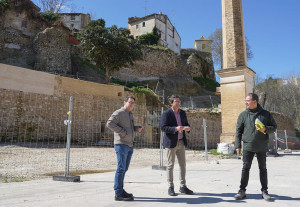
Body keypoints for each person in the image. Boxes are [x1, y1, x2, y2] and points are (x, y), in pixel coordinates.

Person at [234, 93, 277, 202]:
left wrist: (265, 129)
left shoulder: (265, 114)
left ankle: (264, 191)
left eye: (247, 100)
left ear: (255, 102)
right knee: (245, 168)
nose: (245, 102)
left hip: (262, 146)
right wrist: (238, 145)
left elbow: (274, 127)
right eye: (246, 100)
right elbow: (238, 131)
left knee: (263, 169)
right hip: (248, 146)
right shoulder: (243, 115)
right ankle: (242, 191)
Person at [107, 96, 143, 201]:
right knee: (121, 168)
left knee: (124, 169)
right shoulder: (119, 113)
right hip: (121, 144)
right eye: (130, 102)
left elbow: (129, 128)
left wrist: (136, 128)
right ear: (125, 102)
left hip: (129, 145)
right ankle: (118, 193)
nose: (131, 104)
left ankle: (121, 190)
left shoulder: (130, 114)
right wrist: (122, 132)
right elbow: (109, 123)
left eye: (133, 103)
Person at [160, 95, 194, 196]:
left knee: (183, 165)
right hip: (171, 143)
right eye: (176, 101)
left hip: (181, 142)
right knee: (170, 165)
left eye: (179, 101)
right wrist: (175, 129)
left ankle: (183, 186)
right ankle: (170, 187)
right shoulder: (166, 113)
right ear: (171, 103)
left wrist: (188, 128)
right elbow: (163, 127)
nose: (178, 103)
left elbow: (186, 124)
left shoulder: (182, 113)